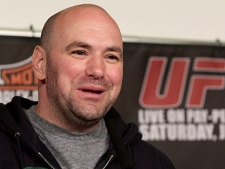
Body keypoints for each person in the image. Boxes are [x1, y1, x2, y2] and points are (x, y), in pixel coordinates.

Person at [0, 4, 176, 169]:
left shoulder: (152, 162)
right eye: (80, 52)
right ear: (41, 63)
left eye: (111, 57)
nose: (98, 70)